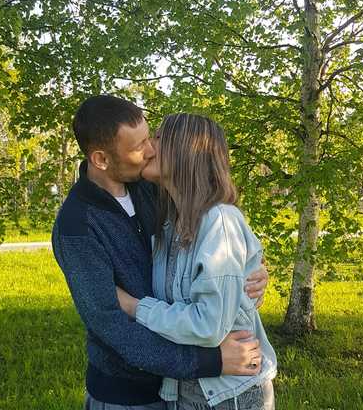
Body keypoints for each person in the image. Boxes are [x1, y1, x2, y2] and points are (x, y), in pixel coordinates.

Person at [52, 96, 270, 409]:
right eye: (139, 146)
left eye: (150, 138)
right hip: (128, 394)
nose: (151, 150)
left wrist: (251, 270)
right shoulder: (77, 225)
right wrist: (209, 361)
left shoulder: (153, 189)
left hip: (182, 388)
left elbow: (214, 243)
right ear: (101, 159)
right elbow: (110, 324)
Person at [115, 113, 277, 409]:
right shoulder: (170, 226)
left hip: (229, 396)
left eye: (158, 138)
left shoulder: (219, 221)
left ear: (185, 151)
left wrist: (135, 307)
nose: (148, 147)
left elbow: (208, 326)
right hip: (182, 390)